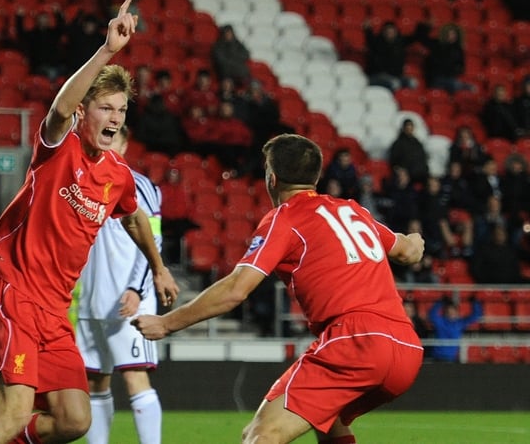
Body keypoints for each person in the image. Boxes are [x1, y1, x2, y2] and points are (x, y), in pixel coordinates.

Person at [0, 0, 179, 443]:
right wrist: (107, 52)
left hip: (55, 312)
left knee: (75, 421)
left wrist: (159, 266)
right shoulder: (58, 147)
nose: (114, 118)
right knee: (12, 415)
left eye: (121, 111)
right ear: (83, 112)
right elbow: (57, 106)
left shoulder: (118, 177)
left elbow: (136, 219)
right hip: (16, 294)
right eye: (106, 108)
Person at [133, 133, 425, 444]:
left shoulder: (285, 219)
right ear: (316, 176)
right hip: (406, 347)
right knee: (329, 422)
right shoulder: (353, 210)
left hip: (355, 341)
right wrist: (416, 239)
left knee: (261, 435)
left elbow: (236, 290)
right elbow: (407, 251)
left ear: (272, 178)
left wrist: (167, 323)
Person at [76, 125, 164, 444]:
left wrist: (137, 289)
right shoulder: (82, 182)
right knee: (96, 381)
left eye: (115, 139)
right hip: (91, 302)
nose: (108, 144)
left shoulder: (141, 186)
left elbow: (152, 240)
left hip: (128, 301)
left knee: (134, 377)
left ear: (126, 145)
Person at [363, 20, 419, 91]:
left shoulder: (400, 42)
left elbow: (415, 37)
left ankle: (408, 100)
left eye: (392, 32)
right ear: (383, 32)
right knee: (394, 83)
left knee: (413, 82)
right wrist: (368, 30)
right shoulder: (377, 43)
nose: (390, 34)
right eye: (388, 32)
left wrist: (423, 27)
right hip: (377, 75)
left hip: (396, 76)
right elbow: (370, 40)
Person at [427, 296, 482, 362]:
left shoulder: (460, 323)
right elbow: (431, 315)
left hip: (451, 358)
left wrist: (474, 302)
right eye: (449, 311)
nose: (451, 314)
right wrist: (440, 302)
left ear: (457, 312)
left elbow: (475, 316)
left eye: (453, 311)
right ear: (446, 312)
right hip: (437, 357)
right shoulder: (440, 322)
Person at [388, 118, 429, 185]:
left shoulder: (417, 143)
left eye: (411, 126)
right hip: (405, 175)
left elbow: (423, 158)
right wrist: (401, 171)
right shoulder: (398, 144)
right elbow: (394, 162)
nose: (409, 129)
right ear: (403, 128)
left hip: (420, 174)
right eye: (407, 126)